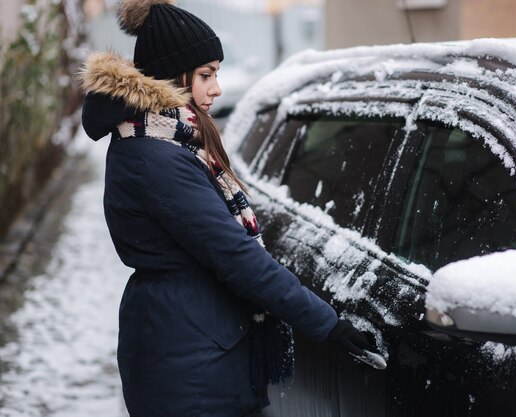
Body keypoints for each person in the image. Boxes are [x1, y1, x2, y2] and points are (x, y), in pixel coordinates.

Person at [78, 1, 380, 416]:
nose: (216, 88)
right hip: (189, 364)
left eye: (216, 73)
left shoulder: (165, 141)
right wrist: (328, 324)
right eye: (205, 74)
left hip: (191, 344)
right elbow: (235, 254)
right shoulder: (156, 156)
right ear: (171, 76)